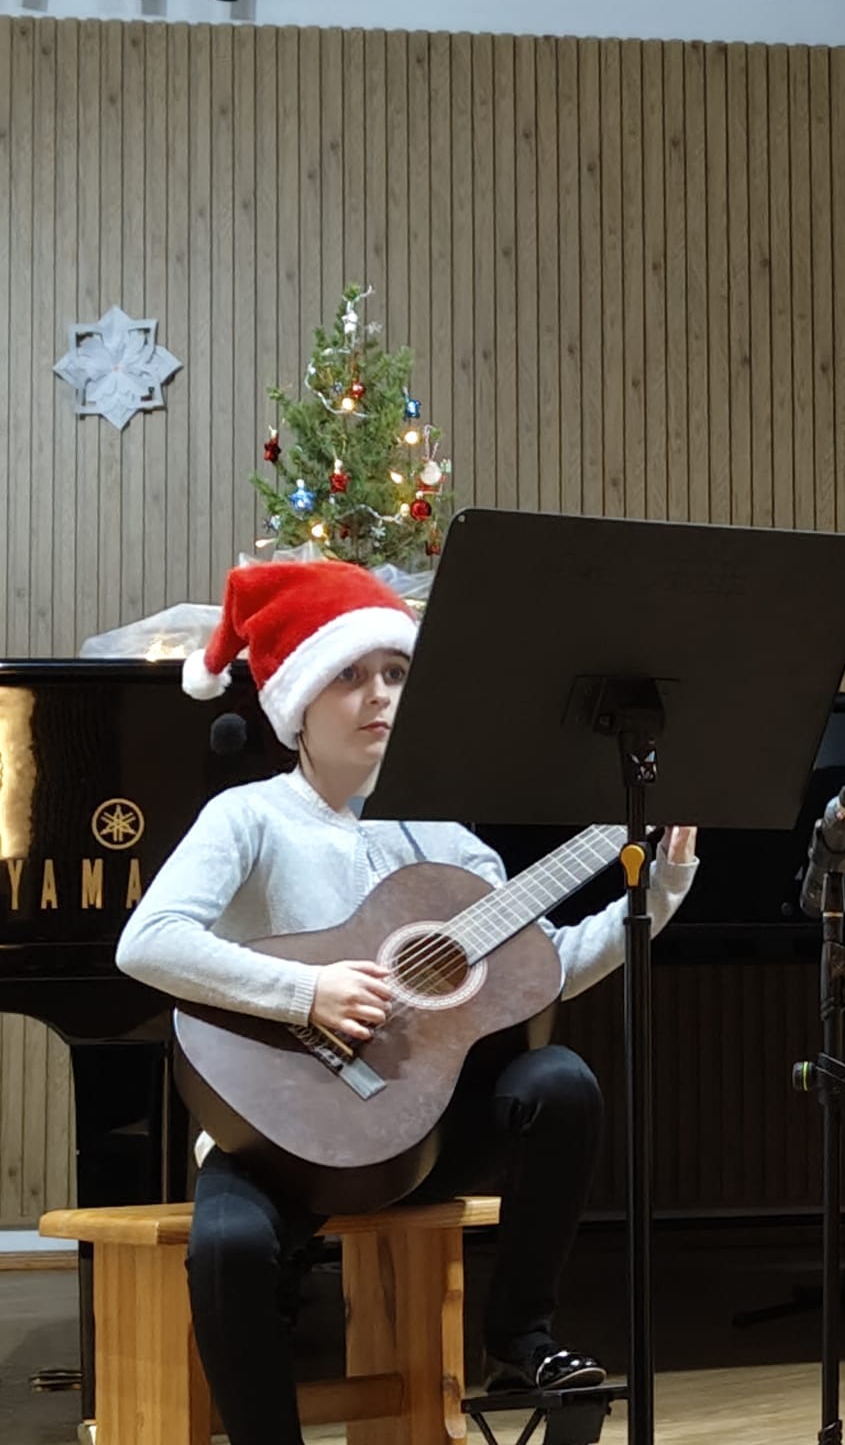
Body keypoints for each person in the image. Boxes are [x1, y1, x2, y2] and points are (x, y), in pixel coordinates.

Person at [117, 560, 700, 1445]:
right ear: (296, 702)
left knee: (559, 1080)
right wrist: (306, 991)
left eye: (394, 672)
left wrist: (661, 890)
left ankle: (521, 1337)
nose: (378, 695)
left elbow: (542, 968)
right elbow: (147, 942)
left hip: (423, 1133)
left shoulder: (444, 836)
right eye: (349, 675)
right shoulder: (248, 818)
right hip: (282, 1137)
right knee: (228, 1246)